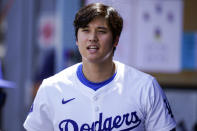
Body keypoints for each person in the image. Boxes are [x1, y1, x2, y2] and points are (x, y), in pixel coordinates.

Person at [23, 3, 176, 131]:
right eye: (85, 30)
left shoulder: (145, 87)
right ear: (77, 39)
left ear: (116, 40)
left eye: (101, 31)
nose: (92, 38)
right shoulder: (50, 88)